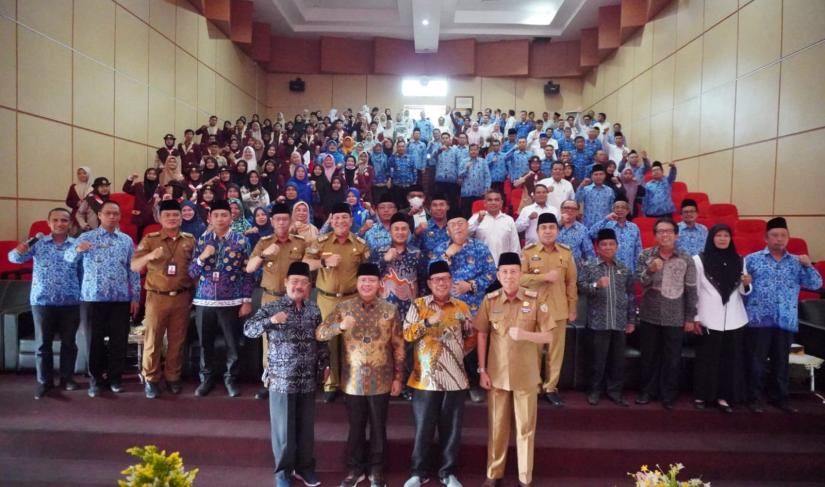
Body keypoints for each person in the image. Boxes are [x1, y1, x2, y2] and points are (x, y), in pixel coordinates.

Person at [316, 263, 404, 487]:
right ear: (357, 283)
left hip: (382, 378)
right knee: (355, 426)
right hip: (352, 380)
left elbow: (399, 346)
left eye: (371, 281)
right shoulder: (344, 308)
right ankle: (354, 470)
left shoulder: (390, 309)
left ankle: (376, 470)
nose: (367, 284)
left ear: (379, 284)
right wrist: (340, 327)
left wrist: (398, 377)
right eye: (363, 280)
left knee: (378, 426)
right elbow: (320, 332)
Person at [243, 262, 329, 487]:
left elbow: (321, 341)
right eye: (294, 282)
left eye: (302, 282)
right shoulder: (273, 307)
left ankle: (304, 468)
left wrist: (325, 365)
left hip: (308, 379)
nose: (298, 286)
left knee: (306, 428)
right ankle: (282, 472)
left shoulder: (313, 309)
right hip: (281, 379)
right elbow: (249, 329)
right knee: (284, 431)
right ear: (285, 283)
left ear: (309, 286)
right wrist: (271, 321)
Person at [475, 252, 554, 487]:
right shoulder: (490, 300)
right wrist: (482, 370)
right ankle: (494, 473)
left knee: (525, 429)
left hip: (526, 375)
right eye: (505, 272)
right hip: (497, 375)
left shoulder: (535, 298)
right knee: (497, 427)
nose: (509, 276)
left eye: (513, 271)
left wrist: (526, 335)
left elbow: (549, 335)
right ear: (498, 275)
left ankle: (524, 477)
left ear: (521, 274)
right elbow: (481, 333)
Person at [402, 261, 473, 487]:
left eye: (446, 279)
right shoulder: (418, 305)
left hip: (455, 378)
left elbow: (470, 337)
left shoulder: (462, 307)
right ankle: (418, 472)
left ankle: (447, 473)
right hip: (425, 378)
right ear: (429, 283)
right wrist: (427, 322)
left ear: (451, 281)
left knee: (451, 430)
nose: (441, 283)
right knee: (423, 428)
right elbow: (407, 335)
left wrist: (458, 353)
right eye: (437, 280)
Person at [744, 217, 822, 413]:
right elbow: (741, 289)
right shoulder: (752, 259)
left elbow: (816, 285)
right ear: (766, 238)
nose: (779, 239)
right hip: (758, 319)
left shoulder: (797, 262)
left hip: (785, 319)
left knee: (781, 362)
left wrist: (808, 265)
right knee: (756, 361)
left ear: (788, 238)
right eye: (774, 235)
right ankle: (753, 398)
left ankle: (779, 398)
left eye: (783, 235)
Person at [64, 201, 141, 398]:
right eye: (108, 213)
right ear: (99, 215)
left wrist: (135, 296)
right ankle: (96, 380)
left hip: (120, 298)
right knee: (93, 341)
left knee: (119, 341)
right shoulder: (86, 237)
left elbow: (133, 270)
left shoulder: (125, 240)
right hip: (92, 298)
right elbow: (68, 259)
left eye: (116, 213)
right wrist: (78, 249)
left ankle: (115, 378)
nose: (112, 217)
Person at [8, 208, 82, 399]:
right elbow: (14, 259)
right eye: (55, 220)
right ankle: (44, 382)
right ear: (49, 223)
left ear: (70, 224)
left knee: (69, 343)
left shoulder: (77, 245)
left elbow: (84, 273)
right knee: (43, 345)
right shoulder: (37, 244)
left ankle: (67, 378)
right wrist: (20, 249)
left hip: (71, 301)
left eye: (64, 220)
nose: (60, 224)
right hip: (42, 301)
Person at [303, 203, 371, 403]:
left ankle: (351, 382)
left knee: (353, 342)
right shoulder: (321, 242)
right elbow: (305, 263)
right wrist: (324, 262)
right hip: (327, 299)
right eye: (336, 218)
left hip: (352, 300)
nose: (340, 221)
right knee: (328, 342)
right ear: (331, 221)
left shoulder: (360, 244)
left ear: (351, 221)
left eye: (344, 217)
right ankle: (330, 383)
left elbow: (367, 274)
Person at [188, 199, 255, 397]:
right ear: (209, 217)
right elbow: (191, 272)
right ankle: (206, 378)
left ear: (231, 217)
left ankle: (231, 378)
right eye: (215, 215)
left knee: (232, 343)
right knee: (205, 342)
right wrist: (202, 257)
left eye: (224, 215)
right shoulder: (202, 240)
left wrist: (246, 299)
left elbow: (248, 273)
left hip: (231, 300)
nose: (220, 219)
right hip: (204, 300)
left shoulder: (241, 241)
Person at [130, 200, 196, 399]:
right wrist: (150, 255)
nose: (172, 218)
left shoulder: (190, 240)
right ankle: (151, 378)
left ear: (181, 217)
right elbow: (134, 266)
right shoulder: (150, 239)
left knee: (177, 341)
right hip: (157, 297)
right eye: (167, 215)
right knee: (153, 340)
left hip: (182, 297)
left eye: (176, 215)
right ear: (160, 217)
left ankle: (172, 377)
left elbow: (197, 269)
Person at [246, 203, 308, 400]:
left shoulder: (300, 243)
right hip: (271, 297)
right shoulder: (264, 242)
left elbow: (308, 271)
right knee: (270, 341)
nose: (281, 222)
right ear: (272, 222)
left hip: (295, 299)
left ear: (290, 221)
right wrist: (265, 254)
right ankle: (269, 381)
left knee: (297, 339)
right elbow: (249, 268)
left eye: (285, 219)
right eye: (277, 219)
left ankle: (297, 380)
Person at [635, 217, 698, 409]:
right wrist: (651, 269)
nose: (665, 235)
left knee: (672, 358)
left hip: (675, 316)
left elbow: (691, 290)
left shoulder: (686, 258)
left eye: (669, 231)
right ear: (655, 235)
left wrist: (689, 317)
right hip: (649, 314)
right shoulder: (645, 255)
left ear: (676, 235)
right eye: (661, 231)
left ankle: (668, 395)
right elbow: (640, 281)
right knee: (649, 356)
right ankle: (647, 391)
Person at [519, 213, 577, 407]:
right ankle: (534, 387)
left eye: (552, 227)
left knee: (555, 352)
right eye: (544, 228)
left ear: (557, 231)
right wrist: (543, 277)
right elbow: (519, 279)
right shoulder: (528, 252)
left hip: (558, 309)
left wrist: (572, 307)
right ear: (537, 231)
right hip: (534, 310)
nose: (548, 231)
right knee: (533, 350)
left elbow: (571, 282)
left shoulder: (566, 253)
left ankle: (550, 388)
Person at [692, 224, 751, 413]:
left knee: (729, 360)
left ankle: (724, 396)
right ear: (711, 238)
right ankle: (702, 395)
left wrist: (747, 285)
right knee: (707, 359)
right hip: (709, 317)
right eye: (719, 235)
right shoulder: (699, 260)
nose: (723, 239)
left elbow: (743, 290)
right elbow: (694, 290)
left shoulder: (739, 260)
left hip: (735, 318)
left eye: (727, 235)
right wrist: (695, 317)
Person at [578, 228, 636, 406]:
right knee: (598, 360)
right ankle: (595, 391)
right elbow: (581, 288)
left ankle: (614, 391)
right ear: (598, 247)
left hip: (619, 321)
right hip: (598, 321)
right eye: (604, 244)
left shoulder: (624, 269)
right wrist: (596, 284)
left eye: (611, 244)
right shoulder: (590, 266)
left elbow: (630, 295)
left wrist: (631, 320)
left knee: (618, 360)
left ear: (617, 246)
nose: (608, 247)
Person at [587, 196, 643, 274]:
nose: (620, 210)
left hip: (629, 270)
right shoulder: (607, 225)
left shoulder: (634, 227)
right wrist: (606, 219)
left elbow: (638, 249)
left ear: (628, 211)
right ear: (613, 210)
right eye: (617, 207)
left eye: (623, 207)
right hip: (609, 270)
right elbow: (591, 234)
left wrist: (639, 270)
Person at [468, 189, 520, 266]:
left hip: (503, 265)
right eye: (490, 200)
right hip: (482, 265)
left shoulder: (509, 220)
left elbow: (515, 245)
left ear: (501, 203)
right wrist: (477, 222)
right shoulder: (476, 218)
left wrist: (515, 264)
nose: (493, 202)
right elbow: (465, 235)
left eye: (496, 200)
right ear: (485, 203)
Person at [556, 200, 596, 268]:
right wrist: (559, 224)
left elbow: (589, 253)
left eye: (573, 209)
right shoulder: (552, 227)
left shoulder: (583, 230)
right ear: (561, 209)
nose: (570, 210)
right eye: (567, 207)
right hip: (554, 270)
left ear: (577, 212)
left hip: (576, 271)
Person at [575, 164, 615, 229]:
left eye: (601, 174)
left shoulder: (610, 190)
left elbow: (612, 208)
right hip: (588, 224)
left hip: (605, 225)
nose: (598, 176)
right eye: (596, 174)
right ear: (591, 176)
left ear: (604, 175)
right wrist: (581, 185)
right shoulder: (585, 189)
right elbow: (577, 200)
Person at [457, 143, 491, 219]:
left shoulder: (483, 162)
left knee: (479, 215)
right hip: (466, 193)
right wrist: (466, 169)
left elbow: (487, 176)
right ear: (469, 151)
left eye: (475, 150)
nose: (473, 151)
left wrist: (486, 189)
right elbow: (459, 176)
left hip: (479, 193)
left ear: (478, 151)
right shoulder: (463, 162)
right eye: (471, 150)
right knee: (466, 215)